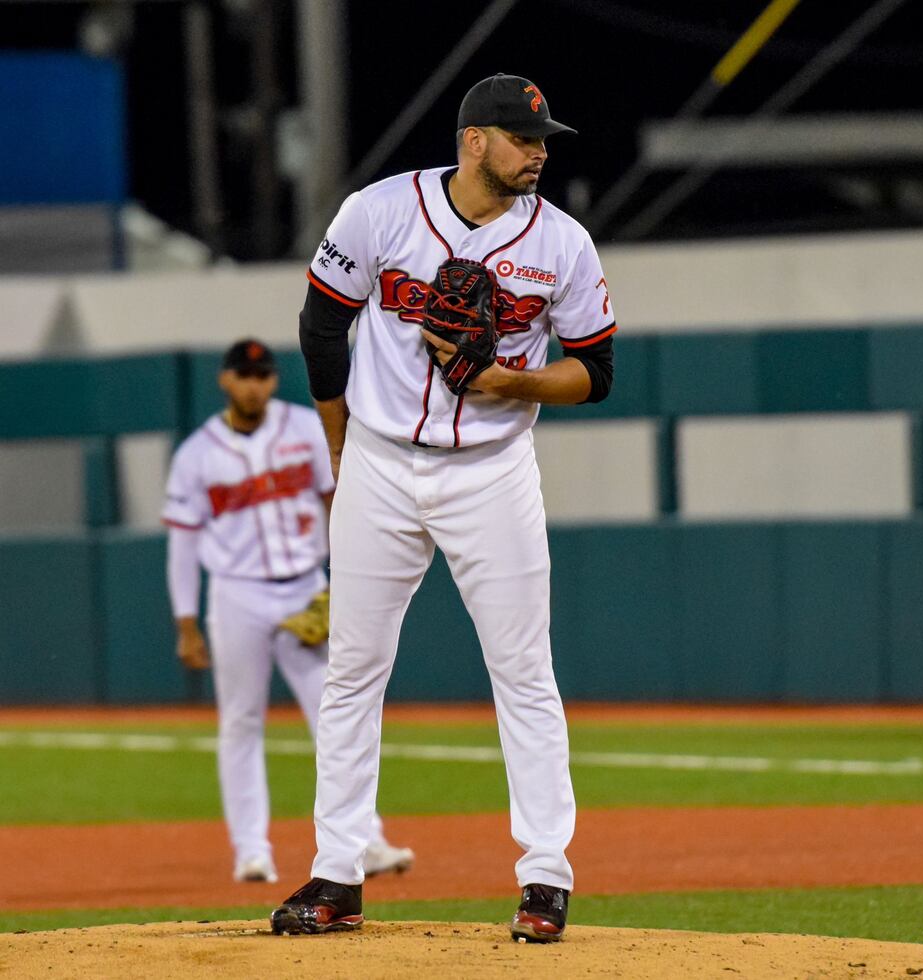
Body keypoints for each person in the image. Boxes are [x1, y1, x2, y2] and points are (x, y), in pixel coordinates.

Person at [271, 73, 615, 943]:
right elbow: (321, 326)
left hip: (493, 470)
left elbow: (596, 372)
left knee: (523, 672)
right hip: (383, 462)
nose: (539, 151)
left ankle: (545, 877)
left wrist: (514, 379)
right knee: (351, 669)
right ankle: (337, 873)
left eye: (543, 139)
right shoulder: (380, 212)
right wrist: (343, 448)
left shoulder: (564, 243)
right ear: (474, 141)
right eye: (523, 137)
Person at [162, 338, 415, 884]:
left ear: (273, 381)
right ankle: (251, 849)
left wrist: (341, 584)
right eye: (244, 375)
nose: (255, 384)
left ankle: (365, 841)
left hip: (306, 588)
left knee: (336, 715)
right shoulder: (196, 454)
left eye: (264, 375)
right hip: (236, 594)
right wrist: (185, 621)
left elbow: (341, 503)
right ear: (226, 381)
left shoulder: (304, 427)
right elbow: (182, 545)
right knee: (241, 722)